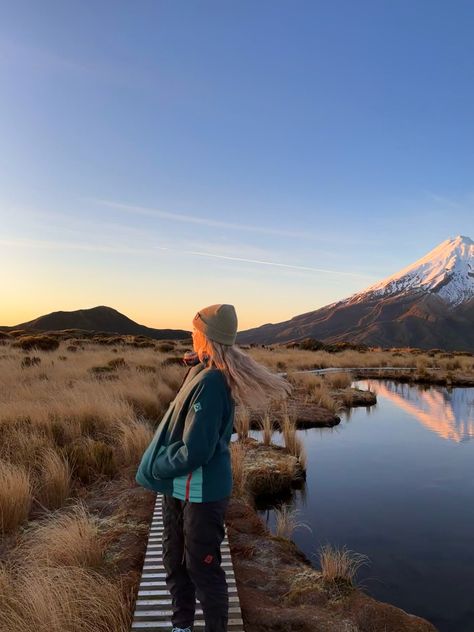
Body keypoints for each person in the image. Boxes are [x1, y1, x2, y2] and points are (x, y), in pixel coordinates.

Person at [135, 303, 292, 632]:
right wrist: (195, 361)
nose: (190, 335)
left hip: (201, 491)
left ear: (206, 336)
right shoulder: (203, 371)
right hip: (180, 487)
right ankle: (182, 626)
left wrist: (157, 464)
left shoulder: (212, 384)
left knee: (202, 568)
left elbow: (196, 451)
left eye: (195, 331)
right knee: (173, 561)